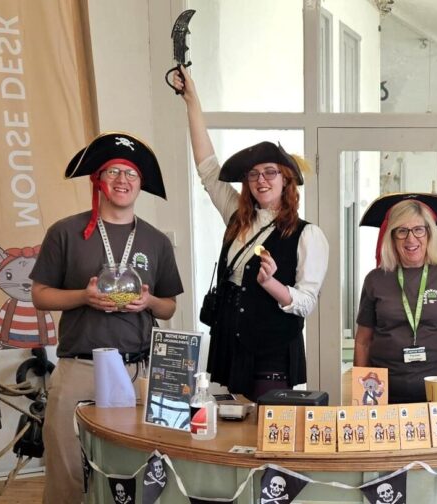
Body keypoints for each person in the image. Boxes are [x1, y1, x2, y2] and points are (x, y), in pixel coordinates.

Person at [31, 132, 184, 503]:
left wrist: (148, 302)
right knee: (68, 471)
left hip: (138, 371)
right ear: (97, 180)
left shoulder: (156, 241)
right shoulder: (65, 232)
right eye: (113, 171)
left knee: (138, 469)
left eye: (130, 173)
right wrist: (83, 297)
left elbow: (169, 306)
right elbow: (40, 295)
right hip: (80, 368)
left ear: (140, 183)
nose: (122, 180)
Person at [174, 67, 329, 400]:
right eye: (253, 174)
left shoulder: (307, 235)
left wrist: (271, 283)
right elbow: (208, 169)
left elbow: (305, 303)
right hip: (229, 344)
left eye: (270, 172)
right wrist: (192, 101)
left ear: (286, 179)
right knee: (230, 424)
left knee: (267, 427)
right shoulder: (237, 216)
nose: (261, 180)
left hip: (272, 351)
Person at [353, 194, 437, 403]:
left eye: (419, 229)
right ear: (392, 237)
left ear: (429, 234)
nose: (411, 239)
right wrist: (362, 397)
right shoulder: (375, 280)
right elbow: (363, 341)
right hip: (385, 391)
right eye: (402, 231)